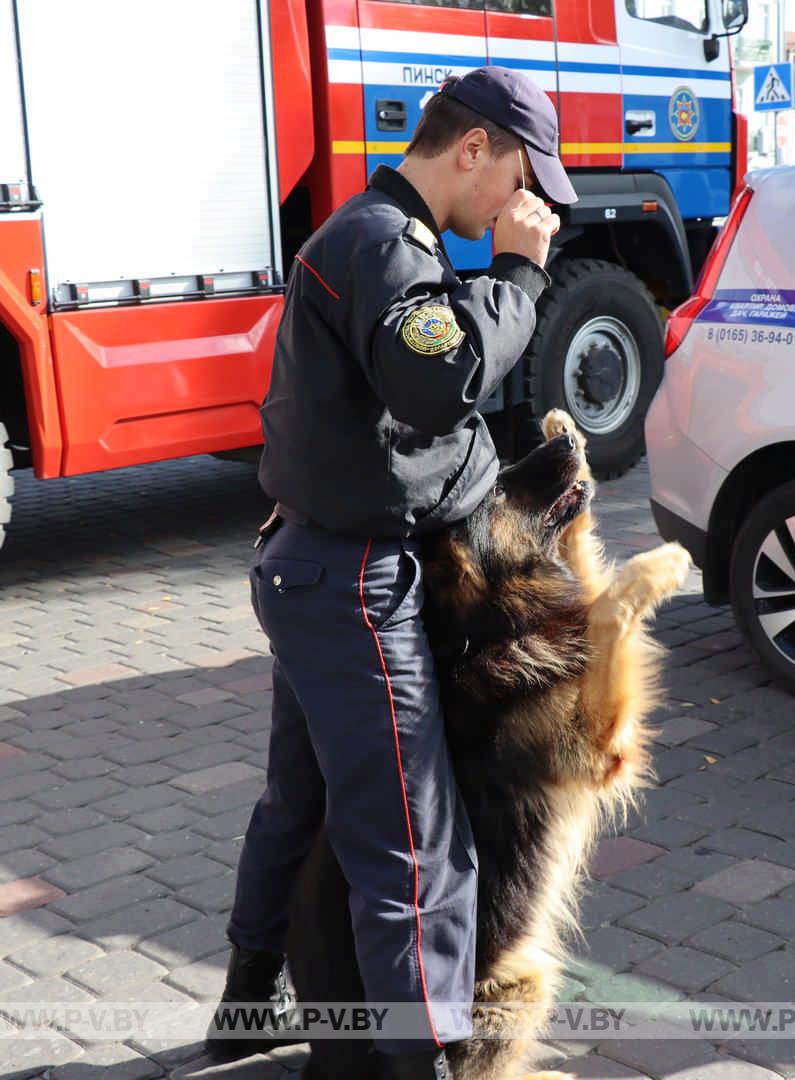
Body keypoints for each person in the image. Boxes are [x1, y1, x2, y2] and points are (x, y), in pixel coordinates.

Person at [206, 66, 576, 1080]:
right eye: (520, 177)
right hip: (354, 582)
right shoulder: (383, 243)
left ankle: (244, 1003)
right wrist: (521, 275)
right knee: (416, 845)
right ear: (473, 151)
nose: (523, 204)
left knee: (303, 796)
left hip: (315, 570)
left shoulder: (379, 239)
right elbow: (438, 382)